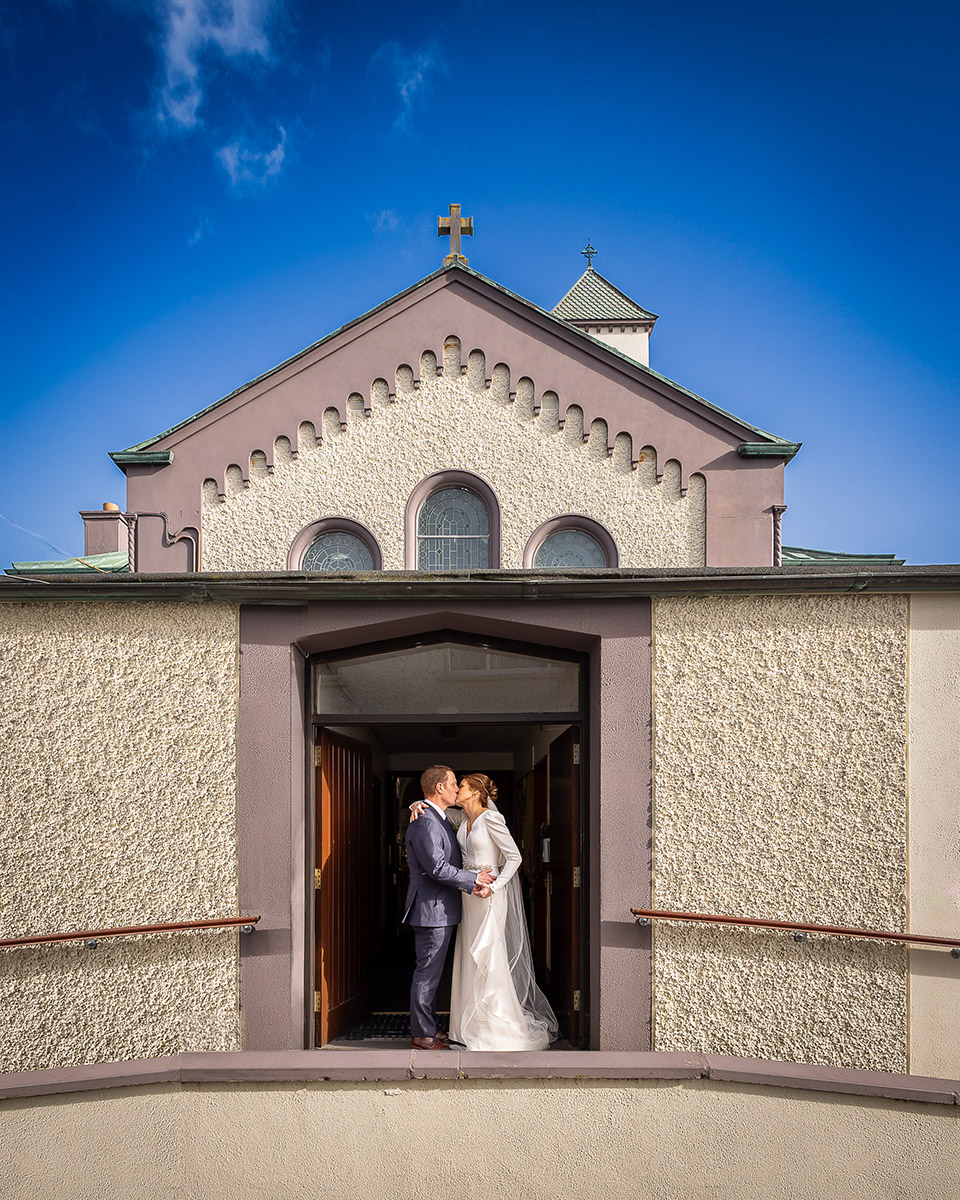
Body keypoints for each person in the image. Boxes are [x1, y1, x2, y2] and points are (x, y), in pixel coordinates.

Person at [412, 773, 558, 1051]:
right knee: (468, 955)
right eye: (455, 785)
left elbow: (514, 857)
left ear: (476, 792)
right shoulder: (462, 820)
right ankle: (467, 1027)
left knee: (488, 955)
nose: (457, 790)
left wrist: (495, 887)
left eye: (462, 786)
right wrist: (414, 805)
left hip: (488, 894)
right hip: (468, 896)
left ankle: (494, 1024)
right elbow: (433, 806)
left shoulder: (492, 819)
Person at [403, 764, 496, 1050]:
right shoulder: (426, 822)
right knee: (427, 974)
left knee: (432, 973)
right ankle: (423, 1036)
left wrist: (415, 803)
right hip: (432, 910)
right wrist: (474, 878)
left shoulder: (438, 817)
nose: (457, 788)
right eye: (454, 782)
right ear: (439, 787)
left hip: (440, 909)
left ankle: (428, 1027)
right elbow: (437, 868)